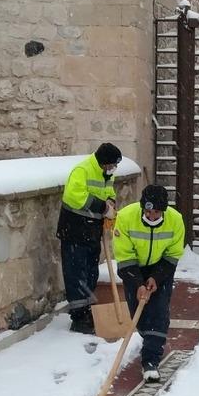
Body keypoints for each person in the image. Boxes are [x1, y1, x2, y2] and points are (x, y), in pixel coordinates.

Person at [113, 185, 185, 382]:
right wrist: (138, 283)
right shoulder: (126, 217)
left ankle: (151, 360)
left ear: (164, 210)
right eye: (148, 211)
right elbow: (124, 256)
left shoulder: (175, 220)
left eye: (156, 212)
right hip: (133, 267)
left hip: (160, 267)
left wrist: (156, 278)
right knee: (140, 315)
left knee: (159, 311)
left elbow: (173, 254)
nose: (152, 216)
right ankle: (150, 339)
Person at [57, 142, 121, 334]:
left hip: (92, 230)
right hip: (74, 228)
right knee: (76, 272)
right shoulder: (82, 170)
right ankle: (78, 316)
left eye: (114, 167)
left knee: (91, 270)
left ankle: (89, 310)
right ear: (102, 162)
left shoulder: (106, 173)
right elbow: (74, 196)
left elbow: (108, 192)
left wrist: (110, 203)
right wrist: (102, 208)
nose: (112, 170)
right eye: (110, 165)